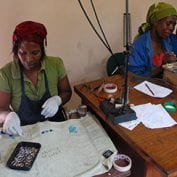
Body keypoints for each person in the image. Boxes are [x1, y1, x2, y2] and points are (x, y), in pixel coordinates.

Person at [0, 21, 72, 135]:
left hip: (56, 127)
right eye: (22, 53)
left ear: (43, 49)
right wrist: (8, 116)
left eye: (35, 53)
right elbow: (1, 108)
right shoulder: (5, 74)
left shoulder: (56, 64)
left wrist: (58, 100)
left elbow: (67, 92)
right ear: (15, 50)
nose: (28, 59)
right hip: (25, 131)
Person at [128, 2, 177, 78]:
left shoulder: (172, 39)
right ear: (155, 22)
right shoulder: (139, 45)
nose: (171, 28)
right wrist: (162, 66)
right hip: (146, 86)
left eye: (174, 24)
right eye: (168, 23)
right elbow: (134, 77)